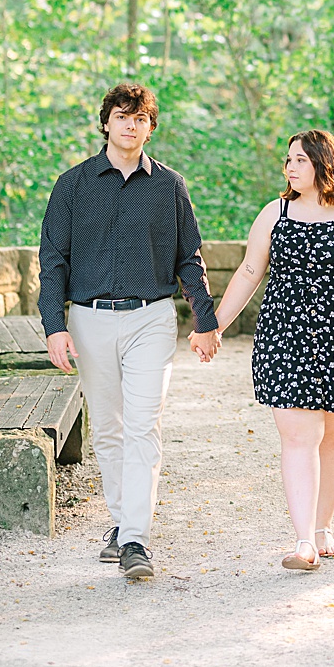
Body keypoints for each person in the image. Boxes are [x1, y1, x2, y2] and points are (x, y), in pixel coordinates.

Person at [38, 83, 222, 582]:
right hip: (90, 319)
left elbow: (190, 257)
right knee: (110, 430)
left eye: (140, 118)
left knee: (144, 425)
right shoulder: (72, 186)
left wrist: (205, 321)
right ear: (106, 123)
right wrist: (55, 326)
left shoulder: (170, 186)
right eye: (122, 116)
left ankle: (135, 540)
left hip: (151, 318)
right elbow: (52, 262)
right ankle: (121, 525)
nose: (130, 125)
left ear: (151, 127)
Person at [210, 129, 334, 571]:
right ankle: (304, 541)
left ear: (324, 164)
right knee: (298, 437)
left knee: (333, 435)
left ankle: (323, 526)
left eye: (301, 160)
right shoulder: (275, 213)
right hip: (283, 337)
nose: (291, 167)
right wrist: (212, 326)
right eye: (288, 160)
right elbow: (250, 272)